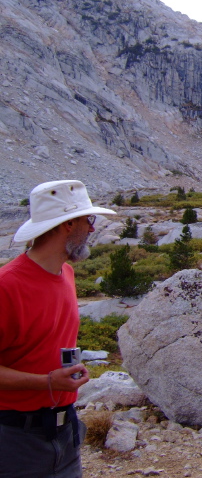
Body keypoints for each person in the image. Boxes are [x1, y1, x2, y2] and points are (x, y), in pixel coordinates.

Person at [0, 180, 116, 478]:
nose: (91, 229)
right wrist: (47, 381)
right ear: (67, 225)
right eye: (87, 221)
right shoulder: (7, 287)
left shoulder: (65, 272)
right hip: (14, 438)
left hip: (66, 432)